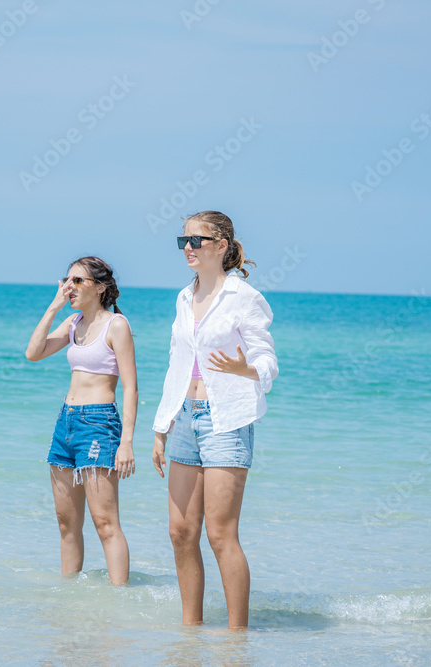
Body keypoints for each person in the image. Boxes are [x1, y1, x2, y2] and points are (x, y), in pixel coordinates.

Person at [151, 210, 278, 629]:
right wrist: (161, 426)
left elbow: (266, 357)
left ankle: (236, 638)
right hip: (184, 417)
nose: (188, 248)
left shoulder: (244, 297)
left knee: (221, 535)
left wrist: (248, 370)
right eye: (183, 241)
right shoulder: (184, 297)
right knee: (180, 532)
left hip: (226, 418)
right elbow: (176, 362)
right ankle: (191, 633)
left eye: (197, 241)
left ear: (221, 246)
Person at [25, 256, 137, 586]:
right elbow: (33, 353)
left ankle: (120, 599)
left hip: (98, 424)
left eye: (78, 281)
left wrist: (127, 441)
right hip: (66, 423)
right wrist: (52, 309)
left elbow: (130, 386)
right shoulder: (73, 323)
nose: (69, 287)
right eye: (67, 280)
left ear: (100, 287)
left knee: (105, 522)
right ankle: (70, 599)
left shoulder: (117, 325)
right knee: (66, 522)